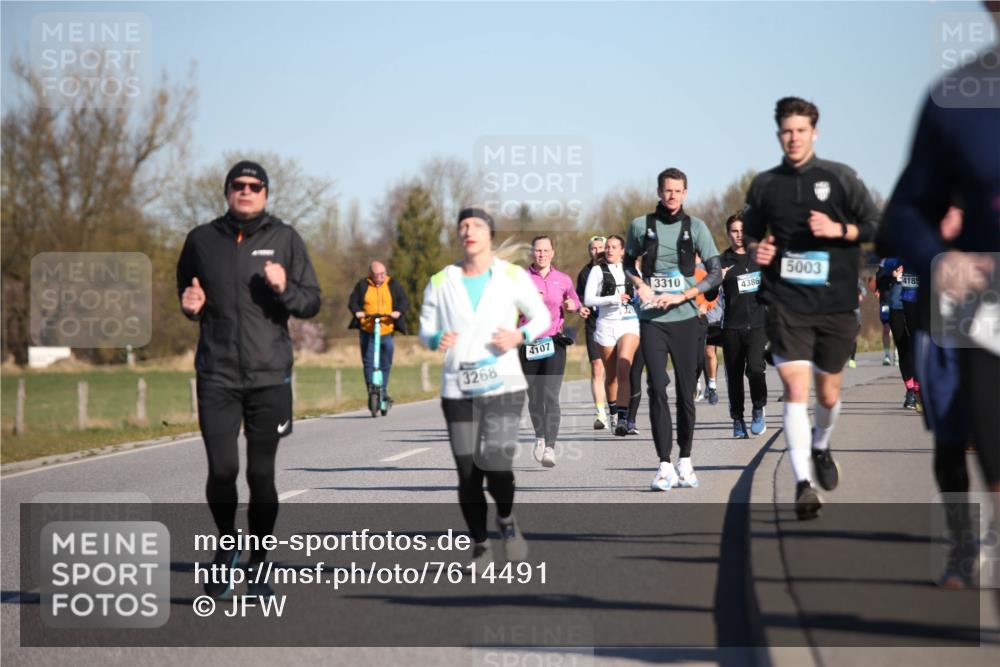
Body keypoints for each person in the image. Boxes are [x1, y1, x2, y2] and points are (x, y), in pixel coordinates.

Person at [880, 1, 999, 587]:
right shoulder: (957, 102)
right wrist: (938, 253)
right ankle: (962, 544)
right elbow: (900, 218)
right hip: (966, 308)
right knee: (953, 435)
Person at [177, 160, 322, 597]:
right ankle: (227, 548)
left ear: (265, 193)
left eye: (254, 186)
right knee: (223, 470)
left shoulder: (285, 238)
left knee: (261, 476)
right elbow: (187, 292)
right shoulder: (201, 240)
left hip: (269, 376)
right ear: (227, 191)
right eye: (238, 185)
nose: (246, 191)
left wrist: (283, 288)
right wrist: (190, 306)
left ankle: (259, 562)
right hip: (217, 374)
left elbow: (311, 302)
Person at [743, 97, 880, 520]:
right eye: (787, 131)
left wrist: (840, 229)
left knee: (829, 393)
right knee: (796, 390)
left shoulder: (841, 177)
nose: (793, 138)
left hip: (836, 303)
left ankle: (820, 443)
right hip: (786, 301)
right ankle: (803, 484)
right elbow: (750, 234)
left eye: (801, 130)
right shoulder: (765, 184)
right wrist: (758, 250)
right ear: (778, 135)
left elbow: (875, 226)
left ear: (814, 133)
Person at [419, 207, 550, 571]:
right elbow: (425, 328)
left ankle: (506, 519)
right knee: (467, 473)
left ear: (489, 234)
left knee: (497, 466)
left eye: (476, 225)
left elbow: (541, 316)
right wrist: (435, 338)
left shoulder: (511, 276)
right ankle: (479, 544)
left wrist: (520, 335)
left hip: (504, 385)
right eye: (463, 226)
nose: (468, 231)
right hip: (458, 389)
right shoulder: (441, 280)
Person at [624, 168, 722, 491]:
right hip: (652, 320)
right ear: (659, 191)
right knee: (656, 387)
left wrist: (685, 295)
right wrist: (640, 284)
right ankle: (664, 464)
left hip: (685, 320)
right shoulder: (640, 226)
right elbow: (627, 263)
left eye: (678, 191)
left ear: (685, 193)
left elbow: (715, 272)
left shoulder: (697, 228)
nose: (672, 196)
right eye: (667, 190)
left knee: (685, 391)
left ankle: (686, 460)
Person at [520, 235, 581, 467]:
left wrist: (573, 306)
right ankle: (540, 437)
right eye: (538, 250)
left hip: (554, 342)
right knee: (535, 397)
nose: (542, 254)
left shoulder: (562, 279)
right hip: (528, 344)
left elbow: (575, 302)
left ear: (552, 253)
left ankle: (550, 448)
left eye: (546, 250)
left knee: (551, 395)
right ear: (532, 253)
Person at [584, 235, 641, 437]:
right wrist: (614, 298)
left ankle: (623, 419)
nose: (609, 250)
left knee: (623, 369)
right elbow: (588, 299)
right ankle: (614, 412)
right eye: (607, 247)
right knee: (611, 377)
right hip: (606, 325)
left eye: (614, 247)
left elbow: (643, 291)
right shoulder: (597, 271)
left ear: (622, 250)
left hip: (629, 322)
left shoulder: (632, 269)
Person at [718, 212, 768, 439]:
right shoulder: (721, 261)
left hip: (758, 325)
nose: (739, 235)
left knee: (756, 369)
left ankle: (758, 408)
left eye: (743, 231)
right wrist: (717, 279)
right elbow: (708, 296)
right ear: (728, 234)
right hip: (731, 328)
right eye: (735, 231)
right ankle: (737, 420)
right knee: (735, 376)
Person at [347, 261, 409, 405]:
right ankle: (372, 390)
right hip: (368, 329)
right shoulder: (362, 285)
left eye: (383, 273)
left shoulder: (393, 284)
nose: (381, 277)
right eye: (377, 275)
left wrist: (398, 311)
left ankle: (383, 390)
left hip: (386, 329)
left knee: (386, 361)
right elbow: (352, 302)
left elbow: (403, 300)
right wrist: (357, 312)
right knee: (368, 362)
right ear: (370, 274)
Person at [875, 257, 920, 408]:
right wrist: (891, 276)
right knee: (902, 348)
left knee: (918, 347)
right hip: (896, 306)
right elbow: (879, 282)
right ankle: (910, 390)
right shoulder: (890, 259)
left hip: (919, 305)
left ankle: (919, 388)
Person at [576, 236, 610, 429]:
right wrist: (580, 307)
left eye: (600, 247)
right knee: (597, 367)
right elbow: (579, 298)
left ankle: (617, 410)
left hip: (615, 324)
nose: (597, 251)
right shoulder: (584, 273)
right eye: (593, 248)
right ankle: (601, 414)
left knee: (615, 370)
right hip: (593, 325)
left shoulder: (615, 269)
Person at [694, 254, 722, 405]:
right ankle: (696, 385)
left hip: (711, 316)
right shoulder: (681, 269)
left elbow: (715, 292)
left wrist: (706, 305)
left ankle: (711, 386)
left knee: (709, 351)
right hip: (691, 318)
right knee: (695, 354)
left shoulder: (709, 267)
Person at [847, 277, 867, 369]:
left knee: (853, 336)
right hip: (840, 312)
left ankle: (852, 359)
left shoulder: (855, 278)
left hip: (854, 311)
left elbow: (864, 291)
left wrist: (860, 294)